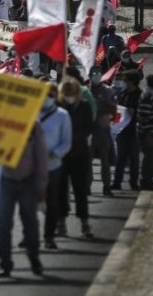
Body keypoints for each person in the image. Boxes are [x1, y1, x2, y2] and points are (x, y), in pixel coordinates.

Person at [0, 121, 48, 278]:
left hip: (28, 181)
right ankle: (5, 264)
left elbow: (41, 157)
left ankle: (34, 259)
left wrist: (41, 185)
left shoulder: (33, 125)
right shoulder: (0, 121)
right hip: (6, 179)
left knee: (30, 222)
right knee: (4, 224)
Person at [57, 78, 95, 238]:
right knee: (61, 191)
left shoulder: (84, 106)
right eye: (66, 93)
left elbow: (89, 127)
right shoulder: (58, 107)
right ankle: (61, 223)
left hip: (79, 153)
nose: (69, 96)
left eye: (71, 93)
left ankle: (84, 223)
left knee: (80, 190)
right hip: (62, 155)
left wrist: (71, 138)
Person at [37, 83, 72, 249]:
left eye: (51, 95)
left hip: (53, 165)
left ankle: (49, 236)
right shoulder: (31, 113)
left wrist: (55, 153)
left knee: (51, 202)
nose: (47, 98)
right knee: (29, 203)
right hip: (33, 166)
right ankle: (28, 235)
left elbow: (66, 141)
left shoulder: (62, 115)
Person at [89, 67, 117, 196]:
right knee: (87, 161)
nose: (96, 76)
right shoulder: (85, 90)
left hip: (102, 129)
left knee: (105, 161)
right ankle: (86, 186)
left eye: (98, 74)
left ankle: (107, 187)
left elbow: (113, 109)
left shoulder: (106, 90)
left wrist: (99, 105)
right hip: (88, 131)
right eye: (94, 74)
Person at [114, 71, 142, 190]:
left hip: (134, 131)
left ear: (132, 82)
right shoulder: (121, 94)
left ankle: (133, 183)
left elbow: (143, 113)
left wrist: (133, 112)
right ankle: (117, 182)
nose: (124, 82)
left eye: (126, 80)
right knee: (120, 157)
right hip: (121, 130)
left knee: (134, 158)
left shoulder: (140, 95)